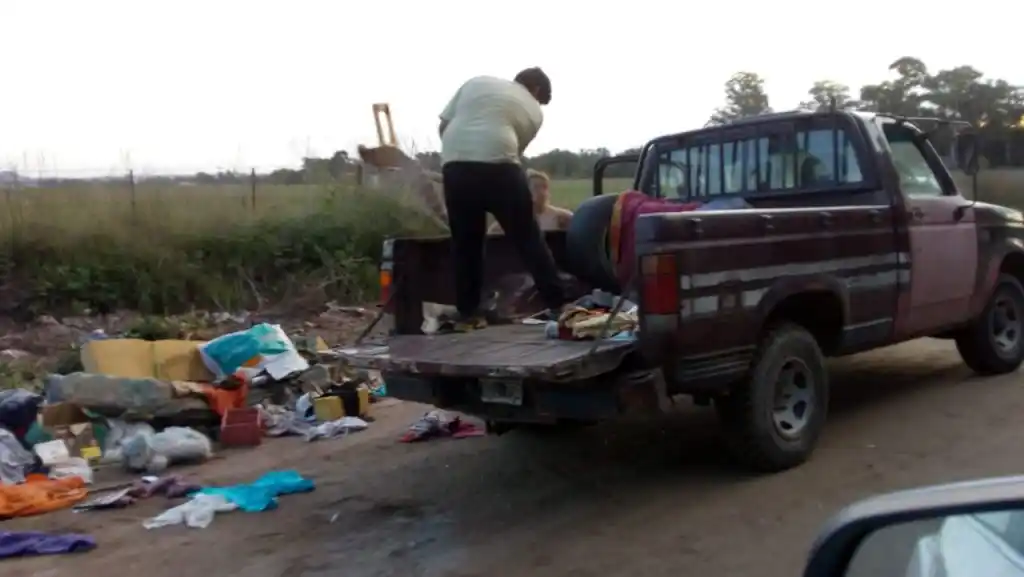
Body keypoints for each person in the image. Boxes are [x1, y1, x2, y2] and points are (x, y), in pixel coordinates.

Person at [438, 67, 567, 332]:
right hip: (499, 165)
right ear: (537, 91)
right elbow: (513, 151)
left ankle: (469, 312)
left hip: (454, 163)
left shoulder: (477, 81)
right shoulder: (534, 110)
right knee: (527, 237)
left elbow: (444, 126)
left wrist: (461, 154)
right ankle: (558, 305)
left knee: (466, 243)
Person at [488, 169, 573, 234]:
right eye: (536, 187)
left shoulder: (561, 217)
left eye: (544, 187)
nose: (542, 192)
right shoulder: (510, 221)